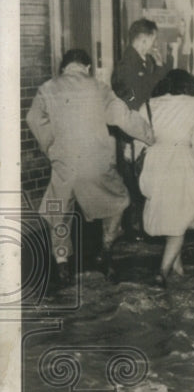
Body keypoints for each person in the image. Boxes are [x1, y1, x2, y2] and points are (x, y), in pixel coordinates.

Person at [26, 49, 154, 285]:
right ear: (86, 67)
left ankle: (62, 263)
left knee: (57, 212)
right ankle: (105, 252)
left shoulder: (47, 88)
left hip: (63, 165)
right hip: (95, 165)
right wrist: (149, 135)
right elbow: (122, 117)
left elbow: (33, 119)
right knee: (119, 201)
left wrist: (50, 147)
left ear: (64, 67)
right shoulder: (99, 87)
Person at [139, 69, 194, 287]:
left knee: (171, 215)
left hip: (155, 161)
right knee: (181, 219)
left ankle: (177, 268)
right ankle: (162, 272)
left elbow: (140, 140)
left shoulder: (148, 105)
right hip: (181, 161)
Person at [112, 18, 167, 240]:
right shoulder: (127, 64)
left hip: (142, 126)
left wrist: (160, 67)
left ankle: (142, 226)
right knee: (135, 178)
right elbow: (130, 95)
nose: (154, 44)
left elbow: (155, 88)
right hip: (133, 128)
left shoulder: (143, 61)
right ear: (144, 39)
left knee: (143, 174)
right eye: (152, 39)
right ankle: (135, 228)